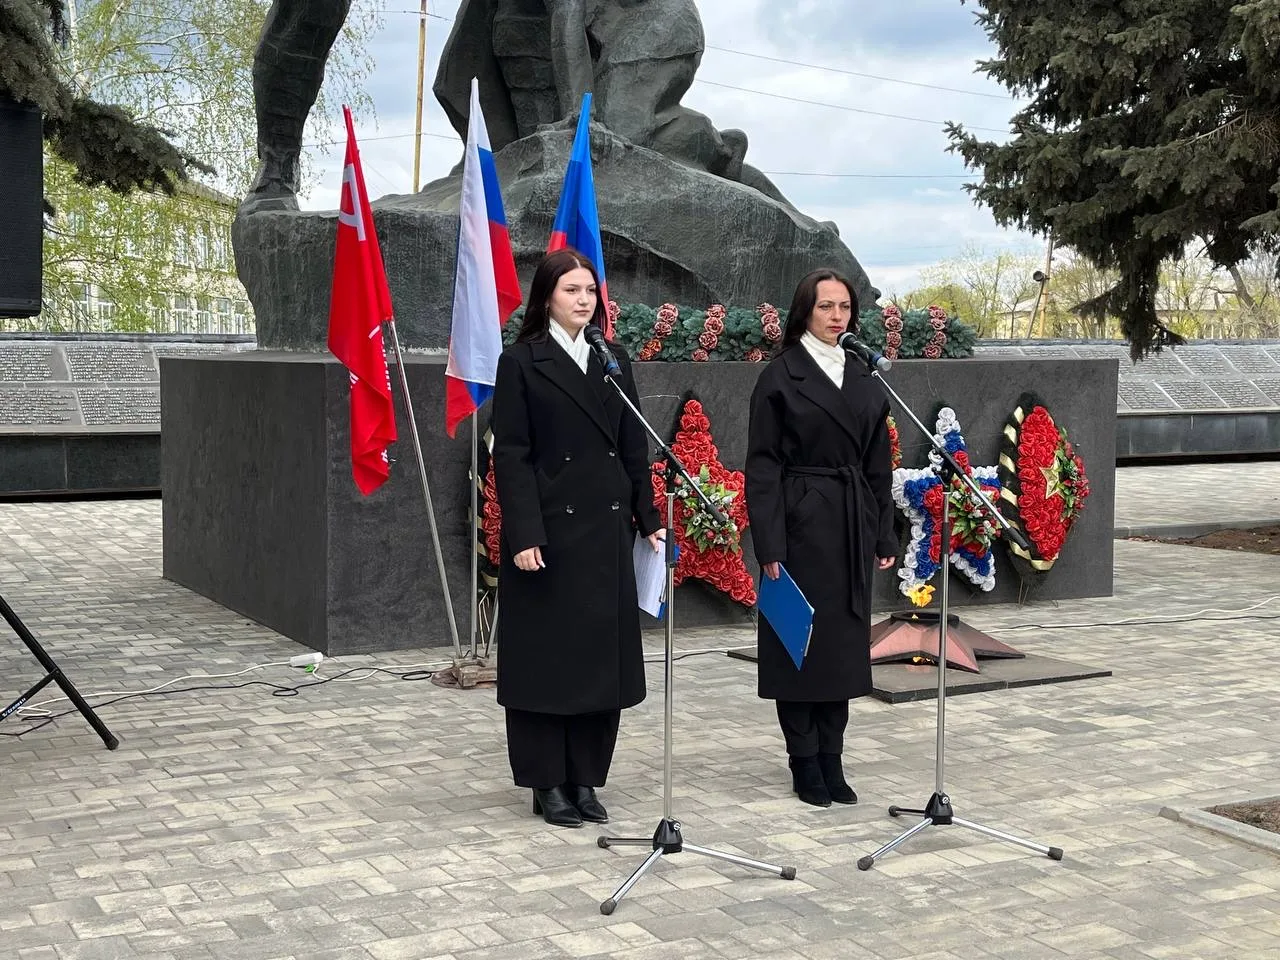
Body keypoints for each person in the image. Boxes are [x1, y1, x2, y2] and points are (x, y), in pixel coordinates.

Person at [490, 248, 663, 828]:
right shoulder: (521, 361)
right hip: (548, 535)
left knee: (598, 660)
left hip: (605, 531)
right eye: (571, 290)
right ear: (546, 298)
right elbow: (512, 455)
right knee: (548, 661)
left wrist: (649, 517)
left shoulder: (612, 359)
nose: (584, 299)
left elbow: (633, 446)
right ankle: (547, 783)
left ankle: (585, 778)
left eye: (590, 290)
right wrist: (523, 532)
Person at [744, 269, 898, 807]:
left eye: (845, 307)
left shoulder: (863, 374)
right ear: (804, 312)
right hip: (800, 523)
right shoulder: (781, 375)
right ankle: (804, 761)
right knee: (799, 645)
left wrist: (883, 534)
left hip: (851, 524)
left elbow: (877, 464)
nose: (837, 316)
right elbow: (762, 467)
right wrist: (770, 544)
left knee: (840, 651)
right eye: (825, 306)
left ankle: (832, 757)